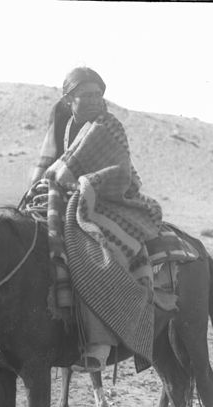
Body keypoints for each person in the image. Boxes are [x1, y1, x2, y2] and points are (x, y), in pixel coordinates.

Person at [26, 67, 162, 372]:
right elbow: (51, 167)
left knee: (90, 249)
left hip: (112, 199)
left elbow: (122, 173)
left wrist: (83, 184)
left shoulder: (108, 126)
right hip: (69, 196)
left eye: (98, 95)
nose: (93, 101)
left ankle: (99, 343)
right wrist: (45, 188)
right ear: (68, 100)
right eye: (85, 95)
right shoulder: (63, 127)